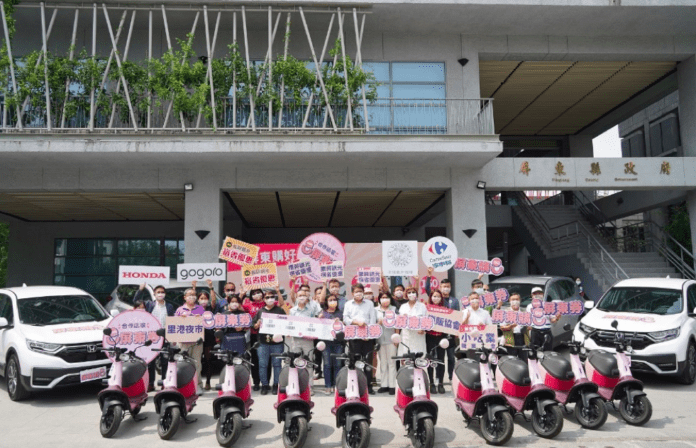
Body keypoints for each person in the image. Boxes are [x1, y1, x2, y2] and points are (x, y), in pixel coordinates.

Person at [424, 268, 460, 384]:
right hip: (432, 335)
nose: (446, 288)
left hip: (446, 334)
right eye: (444, 286)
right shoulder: (431, 304)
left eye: (447, 286)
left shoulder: (453, 301)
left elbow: (457, 316)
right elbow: (428, 289)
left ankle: (446, 379)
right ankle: (432, 381)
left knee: (447, 357)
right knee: (431, 357)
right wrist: (429, 276)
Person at [343, 283, 378, 395]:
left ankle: (368, 386)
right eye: (356, 291)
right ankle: (356, 385)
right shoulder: (348, 304)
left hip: (367, 337)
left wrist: (369, 334)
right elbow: (345, 318)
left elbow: (372, 319)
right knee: (355, 361)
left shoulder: (369, 303)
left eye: (360, 291)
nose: (358, 293)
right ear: (352, 293)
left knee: (367, 362)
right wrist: (356, 322)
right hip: (354, 337)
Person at [139, 284, 173, 392]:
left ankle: (164, 382)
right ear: (154, 293)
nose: (160, 294)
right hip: (152, 336)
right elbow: (136, 300)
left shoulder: (169, 306)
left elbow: (173, 322)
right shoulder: (149, 304)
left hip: (165, 336)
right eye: (158, 292)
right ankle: (150, 383)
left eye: (162, 292)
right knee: (151, 362)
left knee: (165, 361)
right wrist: (140, 290)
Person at [252, 293, 286, 395]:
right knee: (263, 365)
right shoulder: (260, 311)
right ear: (264, 299)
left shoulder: (280, 311)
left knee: (277, 365)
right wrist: (256, 325)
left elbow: (286, 324)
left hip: (277, 343)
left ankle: (276, 385)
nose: (270, 299)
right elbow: (253, 325)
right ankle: (265, 385)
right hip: (263, 343)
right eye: (267, 297)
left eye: (272, 297)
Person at [175, 288, 206, 394]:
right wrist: (180, 319)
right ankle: (184, 385)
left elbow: (206, 323)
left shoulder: (200, 308)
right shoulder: (180, 309)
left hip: (197, 342)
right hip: (183, 342)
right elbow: (174, 325)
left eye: (193, 295)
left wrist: (200, 318)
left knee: (197, 363)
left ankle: (198, 385)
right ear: (184, 297)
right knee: (183, 363)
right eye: (189, 295)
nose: (192, 297)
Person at [242, 286, 268, 392]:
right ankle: (256, 382)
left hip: (266, 335)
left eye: (258, 292)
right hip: (254, 334)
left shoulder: (266, 303)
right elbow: (238, 308)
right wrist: (242, 294)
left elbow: (280, 304)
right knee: (255, 360)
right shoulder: (248, 305)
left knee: (266, 360)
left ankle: (265, 383)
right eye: (254, 293)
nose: (257, 294)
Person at [318, 294, 343, 393]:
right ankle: (328, 385)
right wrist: (320, 319)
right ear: (326, 302)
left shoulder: (340, 313)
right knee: (327, 364)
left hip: (338, 342)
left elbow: (345, 326)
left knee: (337, 364)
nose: (333, 301)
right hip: (326, 342)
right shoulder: (323, 313)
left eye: (334, 299)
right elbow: (318, 326)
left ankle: (336, 385)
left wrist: (340, 322)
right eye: (330, 300)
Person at [424, 289, 447, 394]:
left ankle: (441, 383)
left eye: (438, 296)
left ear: (441, 298)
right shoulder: (426, 309)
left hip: (441, 337)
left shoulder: (445, 310)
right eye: (434, 296)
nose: (436, 298)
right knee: (430, 359)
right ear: (431, 297)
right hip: (430, 337)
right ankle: (432, 383)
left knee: (441, 360)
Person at [375, 291, 397, 395]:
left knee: (391, 363)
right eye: (383, 297)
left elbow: (398, 324)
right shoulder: (375, 310)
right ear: (379, 299)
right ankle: (384, 385)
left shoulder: (394, 309)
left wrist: (397, 338)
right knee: (383, 363)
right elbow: (372, 324)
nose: (385, 299)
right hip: (380, 340)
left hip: (391, 339)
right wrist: (377, 323)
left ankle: (392, 385)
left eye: (387, 297)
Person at [526, 286, 561, 351]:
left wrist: (557, 318)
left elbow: (553, 320)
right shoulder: (529, 307)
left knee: (548, 352)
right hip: (535, 332)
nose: (537, 295)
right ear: (532, 295)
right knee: (535, 352)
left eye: (539, 293)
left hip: (547, 332)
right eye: (535, 293)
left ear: (543, 294)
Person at [397, 287, 427, 358]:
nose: (411, 294)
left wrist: (423, 329)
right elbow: (399, 322)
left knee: (418, 358)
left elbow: (426, 320)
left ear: (416, 294)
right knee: (405, 357)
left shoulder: (422, 306)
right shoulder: (403, 306)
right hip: (406, 335)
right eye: (409, 293)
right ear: (406, 294)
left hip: (418, 335)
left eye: (413, 292)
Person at [196, 287, 217, 390]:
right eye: (201, 298)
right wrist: (194, 288)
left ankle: (208, 382)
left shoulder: (210, 308)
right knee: (197, 361)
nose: (203, 300)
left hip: (208, 337)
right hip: (197, 338)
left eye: (205, 298)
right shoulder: (196, 309)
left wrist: (211, 287)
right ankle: (196, 382)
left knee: (208, 360)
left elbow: (214, 300)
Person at [462, 291, 493, 359]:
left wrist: (484, 327)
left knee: (483, 364)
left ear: (479, 300)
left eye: (476, 298)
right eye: (472, 299)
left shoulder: (485, 313)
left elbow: (491, 328)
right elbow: (461, 328)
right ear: (469, 301)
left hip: (482, 343)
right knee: (471, 364)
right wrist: (467, 318)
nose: (474, 300)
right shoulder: (464, 312)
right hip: (469, 343)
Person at [500, 292, 529, 361]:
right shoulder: (505, 312)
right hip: (511, 338)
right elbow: (502, 327)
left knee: (524, 359)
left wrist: (528, 327)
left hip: (522, 338)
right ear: (509, 301)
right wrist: (510, 327)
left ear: (520, 301)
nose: (515, 301)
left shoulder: (524, 312)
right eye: (513, 300)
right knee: (512, 359)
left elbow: (529, 326)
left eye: (517, 299)